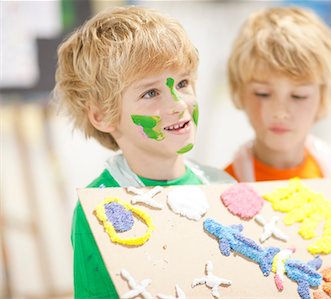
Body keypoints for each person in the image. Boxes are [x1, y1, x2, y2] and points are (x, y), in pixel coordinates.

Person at [54, 6, 234, 298]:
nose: (178, 104)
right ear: (102, 116)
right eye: (151, 93)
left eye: (183, 83)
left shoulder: (222, 187)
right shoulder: (100, 211)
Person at [224, 7, 331, 243]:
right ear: (240, 92)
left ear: (322, 97)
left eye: (299, 96)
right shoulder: (226, 185)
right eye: (263, 93)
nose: (280, 111)